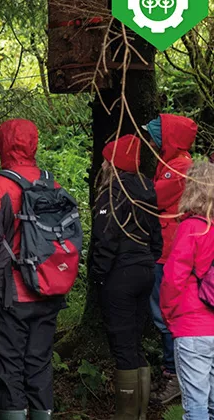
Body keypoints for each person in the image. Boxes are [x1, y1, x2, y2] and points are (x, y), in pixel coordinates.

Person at [0, 118, 66, 420]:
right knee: (39, 366)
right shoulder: (52, 183)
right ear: (33, 143)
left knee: (7, 369)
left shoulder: (0, 184)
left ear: (2, 144)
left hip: (9, 295)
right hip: (48, 290)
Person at [89, 135, 162, 419]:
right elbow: (156, 238)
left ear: (113, 163)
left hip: (121, 274)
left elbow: (104, 239)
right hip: (144, 270)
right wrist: (147, 260)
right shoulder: (147, 189)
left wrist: (98, 275)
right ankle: (140, 414)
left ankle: (126, 415)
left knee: (122, 344)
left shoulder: (112, 193)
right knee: (134, 341)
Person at [143, 114, 197, 403]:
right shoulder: (171, 165)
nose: (149, 143)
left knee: (165, 315)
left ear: (168, 140)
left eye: (154, 137)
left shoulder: (178, 169)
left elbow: (150, 199)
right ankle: (175, 373)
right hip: (165, 249)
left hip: (168, 253)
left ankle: (174, 375)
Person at [160, 161, 214, 420]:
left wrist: (168, 316)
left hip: (192, 325)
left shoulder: (191, 227)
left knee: (196, 406)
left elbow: (173, 279)